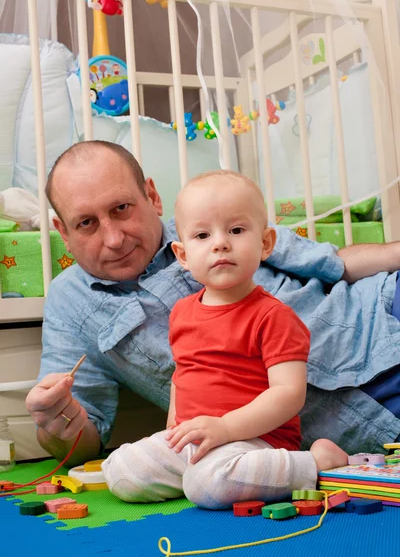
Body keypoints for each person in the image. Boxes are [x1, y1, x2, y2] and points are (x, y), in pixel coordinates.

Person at [26, 140, 400, 468]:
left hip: (379, 319)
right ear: (63, 231)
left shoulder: (217, 211)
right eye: (87, 223)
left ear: (151, 197)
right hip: (356, 423)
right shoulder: (70, 305)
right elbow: (81, 444)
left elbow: (335, 263)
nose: (113, 238)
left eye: (122, 208)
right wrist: (59, 423)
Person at [101, 170, 348, 507]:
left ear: (265, 243)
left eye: (235, 230)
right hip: (196, 438)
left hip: (254, 440)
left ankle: (315, 463)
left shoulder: (273, 316)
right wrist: (175, 422)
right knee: (123, 471)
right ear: (183, 255)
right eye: (202, 235)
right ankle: (198, 472)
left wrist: (226, 428)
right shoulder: (182, 313)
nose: (220, 242)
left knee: (207, 485)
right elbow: (182, 373)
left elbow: (289, 394)